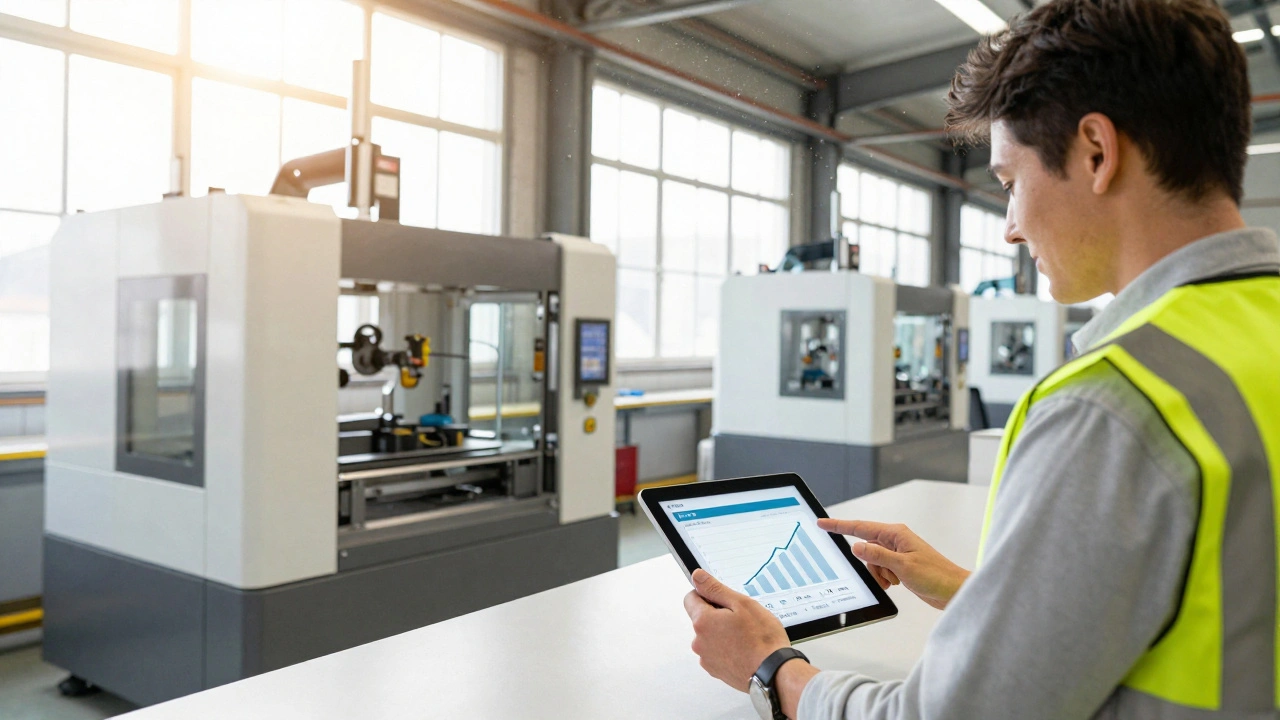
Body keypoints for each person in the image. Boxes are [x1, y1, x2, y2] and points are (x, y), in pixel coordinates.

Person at [683, 0, 1280, 717]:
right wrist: (982, 594)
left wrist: (771, 668)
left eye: (1010, 183)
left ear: (1097, 152)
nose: (1011, 229)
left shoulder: (1115, 405)